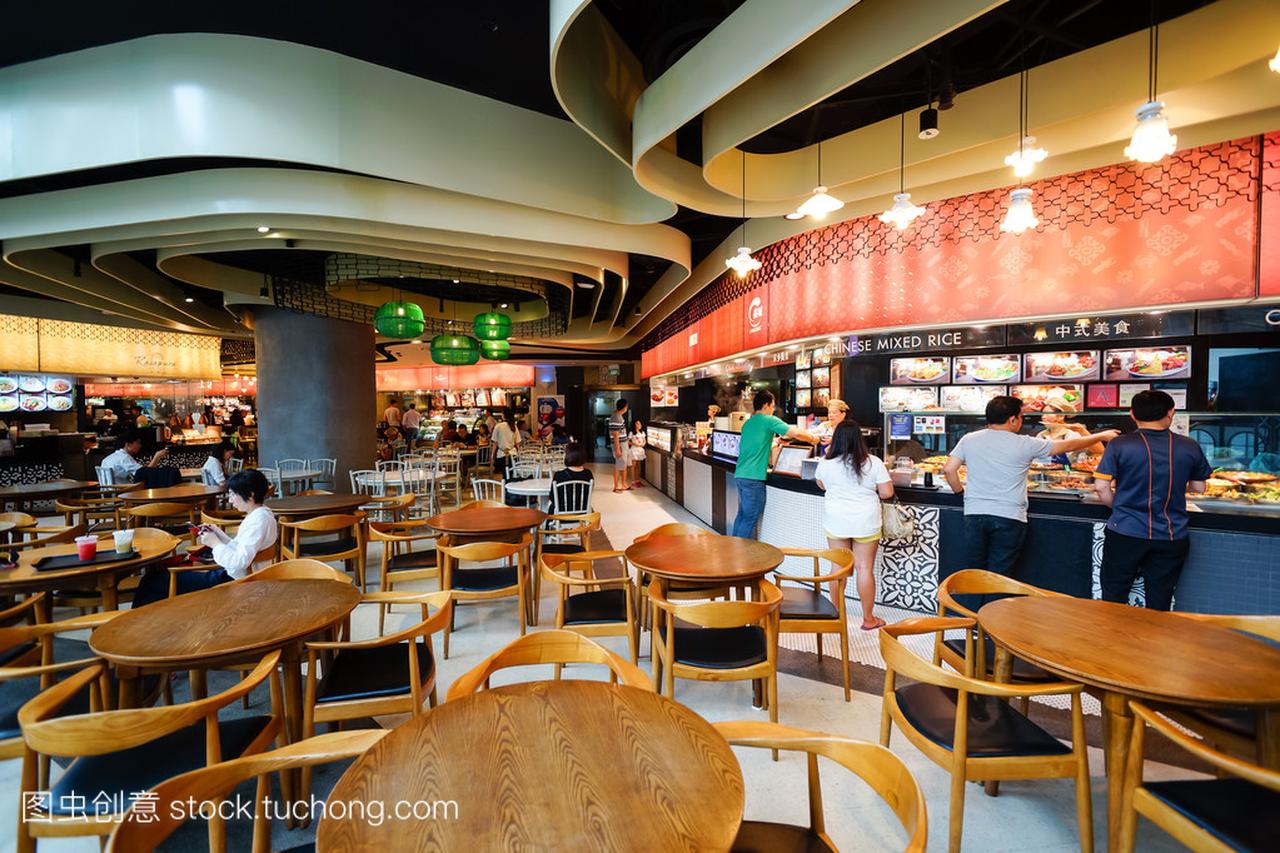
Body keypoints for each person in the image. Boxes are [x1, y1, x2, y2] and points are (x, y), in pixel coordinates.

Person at [943, 396, 1118, 576]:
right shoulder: (1025, 443)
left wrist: (960, 493)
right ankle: (995, 604)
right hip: (1009, 516)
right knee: (1000, 574)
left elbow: (949, 470)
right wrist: (1102, 435)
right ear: (1012, 419)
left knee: (974, 571)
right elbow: (1068, 446)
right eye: (1021, 417)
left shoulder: (968, 439)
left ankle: (970, 605)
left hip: (974, 514)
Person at [1093, 390, 1212, 610]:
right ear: (1171, 412)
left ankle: (1110, 640)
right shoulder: (1189, 445)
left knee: (1113, 594)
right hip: (1171, 535)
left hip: (1124, 532)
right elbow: (1198, 487)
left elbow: (1101, 487)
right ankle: (1154, 642)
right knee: (1160, 598)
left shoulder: (1120, 444)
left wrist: (1118, 507)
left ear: (1132, 414)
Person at [132, 469, 278, 607]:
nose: (231, 499)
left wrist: (215, 544)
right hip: (238, 575)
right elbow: (241, 550)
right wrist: (219, 535)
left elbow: (239, 562)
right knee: (154, 580)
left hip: (236, 580)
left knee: (151, 582)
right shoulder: (261, 515)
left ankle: (135, 623)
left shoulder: (257, 521)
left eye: (233, 494)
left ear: (250, 495)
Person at [815, 421, 893, 630]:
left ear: (837, 439)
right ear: (860, 439)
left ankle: (835, 614)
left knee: (837, 568)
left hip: (836, 519)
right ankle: (868, 619)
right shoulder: (873, 462)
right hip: (866, 521)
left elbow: (821, 484)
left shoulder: (825, 463)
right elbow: (887, 493)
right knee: (864, 568)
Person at [731, 390, 817, 538]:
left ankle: (732, 549)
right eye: (773, 405)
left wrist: (776, 441)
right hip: (753, 477)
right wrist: (812, 438)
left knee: (742, 516)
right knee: (749, 518)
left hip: (740, 474)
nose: (773, 409)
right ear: (766, 405)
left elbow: (756, 443)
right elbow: (795, 433)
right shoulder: (769, 420)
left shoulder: (748, 423)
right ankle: (741, 557)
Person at [100, 428, 169, 483]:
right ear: (128, 445)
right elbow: (146, 474)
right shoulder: (124, 458)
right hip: (123, 492)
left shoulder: (109, 458)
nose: (140, 446)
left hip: (109, 492)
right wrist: (157, 457)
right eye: (138, 443)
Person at [609, 399, 630, 493]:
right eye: (627, 406)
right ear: (624, 406)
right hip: (620, 444)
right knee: (619, 465)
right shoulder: (617, 417)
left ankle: (624, 484)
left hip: (623, 443)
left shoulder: (618, 416)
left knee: (623, 465)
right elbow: (615, 434)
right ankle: (616, 487)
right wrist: (617, 449)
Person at [492, 411, 520, 477]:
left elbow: (495, 442)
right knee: (512, 474)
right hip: (513, 453)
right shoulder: (514, 426)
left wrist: (492, 455)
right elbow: (517, 442)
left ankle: (504, 485)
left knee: (504, 474)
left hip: (501, 454)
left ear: (503, 416)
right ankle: (509, 485)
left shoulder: (498, 426)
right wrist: (519, 453)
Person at [628, 420, 647, 488]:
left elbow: (644, 440)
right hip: (634, 450)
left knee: (639, 466)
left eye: (640, 423)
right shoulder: (632, 433)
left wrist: (643, 443)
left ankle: (637, 480)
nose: (639, 425)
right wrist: (634, 443)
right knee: (634, 465)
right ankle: (633, 481)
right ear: (634, 424)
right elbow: (628, 441)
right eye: (637, 423)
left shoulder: (642, 432)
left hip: (640, 450)